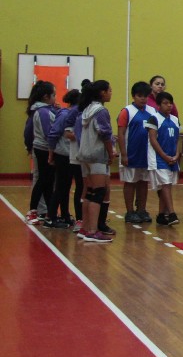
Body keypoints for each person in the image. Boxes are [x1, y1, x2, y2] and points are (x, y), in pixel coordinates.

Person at [75, 80, 116, 242]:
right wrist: (110, 152)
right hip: (96, 155)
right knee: (98, 193)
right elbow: (105, 134)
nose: (111, 93)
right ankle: (92, 231)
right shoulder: (100, 111)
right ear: (102, 93)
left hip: (84, 155)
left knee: (89, 192)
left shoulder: (86, 110)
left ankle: (85, 228)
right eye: (109, 90)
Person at [117, 81, 154, 225]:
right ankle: (130, 211)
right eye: (139, 96)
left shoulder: (152, 112)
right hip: (131, 153)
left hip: (146, 154)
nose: (143, 99)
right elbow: (120, 134)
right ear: (133, 96)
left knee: (143, 183)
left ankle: (141, 210)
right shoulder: (126, 111)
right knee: (130, 182)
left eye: (145, 96)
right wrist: (124, 154)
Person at [48, 89, 84, 230]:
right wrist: (51, 154)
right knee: (61, 187)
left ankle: (65, 215)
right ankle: (51, 217)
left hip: (68, 154)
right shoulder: (66, 114)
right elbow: (53, 134)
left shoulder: (70, 112)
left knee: (65, 186)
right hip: (63, 154)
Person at [26, 81, 60, 227]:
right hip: (44, 149)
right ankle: (32, 211)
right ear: (46, 97)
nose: (55, 98)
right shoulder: (43, 112)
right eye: (54, 95)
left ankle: (49, 213)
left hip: (45, 148)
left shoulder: (46, 110)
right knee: (43, 180)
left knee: (48, 181)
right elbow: (49, 133)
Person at [146, 92, 182, 227]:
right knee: (165, 184)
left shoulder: (175, 119)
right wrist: (164, 156)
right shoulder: (153, 118)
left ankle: (161, 215)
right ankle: (171, 214)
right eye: (165, 103)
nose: (169, 106)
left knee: (167, 185)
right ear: (159, 105)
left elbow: (179, 138)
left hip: (172, 157)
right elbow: (153, 139)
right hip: (158, 158)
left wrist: (177, 154)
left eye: (170, 103)